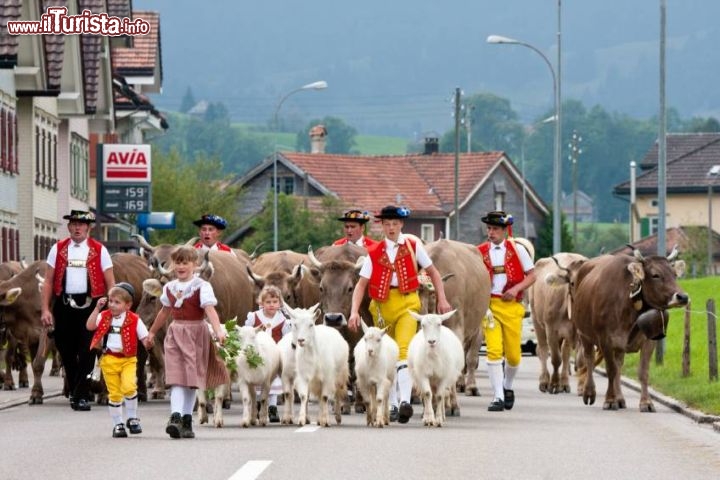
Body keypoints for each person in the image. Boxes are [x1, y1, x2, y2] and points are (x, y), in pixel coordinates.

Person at [348, 205, 452, 424]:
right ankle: (392, 404)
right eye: (387, 224)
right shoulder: (374, 252)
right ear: (382, 226)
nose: (391, 227)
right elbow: (361, 284)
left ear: (401, 224)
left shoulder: (413, 246)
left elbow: (433, 272)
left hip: (407, 303)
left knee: (403, 350)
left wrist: (442, 299)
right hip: (382, 306)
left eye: (395, 223)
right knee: (387, 355)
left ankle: (404, 401)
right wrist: (354, 311)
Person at [144, 246, 228, 439]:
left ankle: (187, 421)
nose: (181, 267)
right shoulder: (169, 287)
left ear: (195, 265)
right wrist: (152, 332)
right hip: (175, 333)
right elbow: (164, 312)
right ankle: (175, 418)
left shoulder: (201, 286)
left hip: (196, 334)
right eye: (178, 263)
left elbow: (209, 310)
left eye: (185, 263)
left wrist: (218, 330)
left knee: (190, 381)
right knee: (175, 379)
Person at [40, 210, 115, 411]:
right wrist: (45, 309)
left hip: (92, 306)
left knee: (88, 350)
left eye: (81, 224)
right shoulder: (58, 249)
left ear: (89, 228)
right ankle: (76, 390)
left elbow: (111, 282)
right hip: (64, 306)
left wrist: (112, 308)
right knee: (66, 351)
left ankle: (81, 394)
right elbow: (47, 281)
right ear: (69, 227)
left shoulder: (100, 250)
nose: (77, 228)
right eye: (74, 224)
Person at [477, 210, 536, 412]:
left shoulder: (517, 249)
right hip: (490, 305)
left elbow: (532, 275)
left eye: (494, 229)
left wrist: (516, 289)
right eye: (489, 228)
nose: (491, 232)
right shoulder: (480, 251)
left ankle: (507, 386)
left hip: (511, 306)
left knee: (513, 356)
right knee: (493, 351)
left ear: (504, 230)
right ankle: (497, 397)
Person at [86, 282, 148, 438]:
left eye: (117, 302)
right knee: (114, 394)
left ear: (128, 305)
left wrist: (148, 341)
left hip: (128, 360)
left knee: (129, 387)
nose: (112, 305)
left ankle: (133, 418)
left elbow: (145, 337)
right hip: (109, 359)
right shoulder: (104, 316)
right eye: (111, 301)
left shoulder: (135, 319)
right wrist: (97, 308)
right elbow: (90, 326)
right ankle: (118, 424)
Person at [245, 284, 290, 423]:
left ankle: (272, 407)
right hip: (258, 354)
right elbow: (247, 333)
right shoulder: (254, 317)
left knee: (273, 380)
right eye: (268, 302)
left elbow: (286, 338)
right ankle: (258, 404)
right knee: (257, 380)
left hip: (273, 356)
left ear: (280, 303)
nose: (271, 305)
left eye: (275, 302)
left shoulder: (282, 320)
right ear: (261, 303)